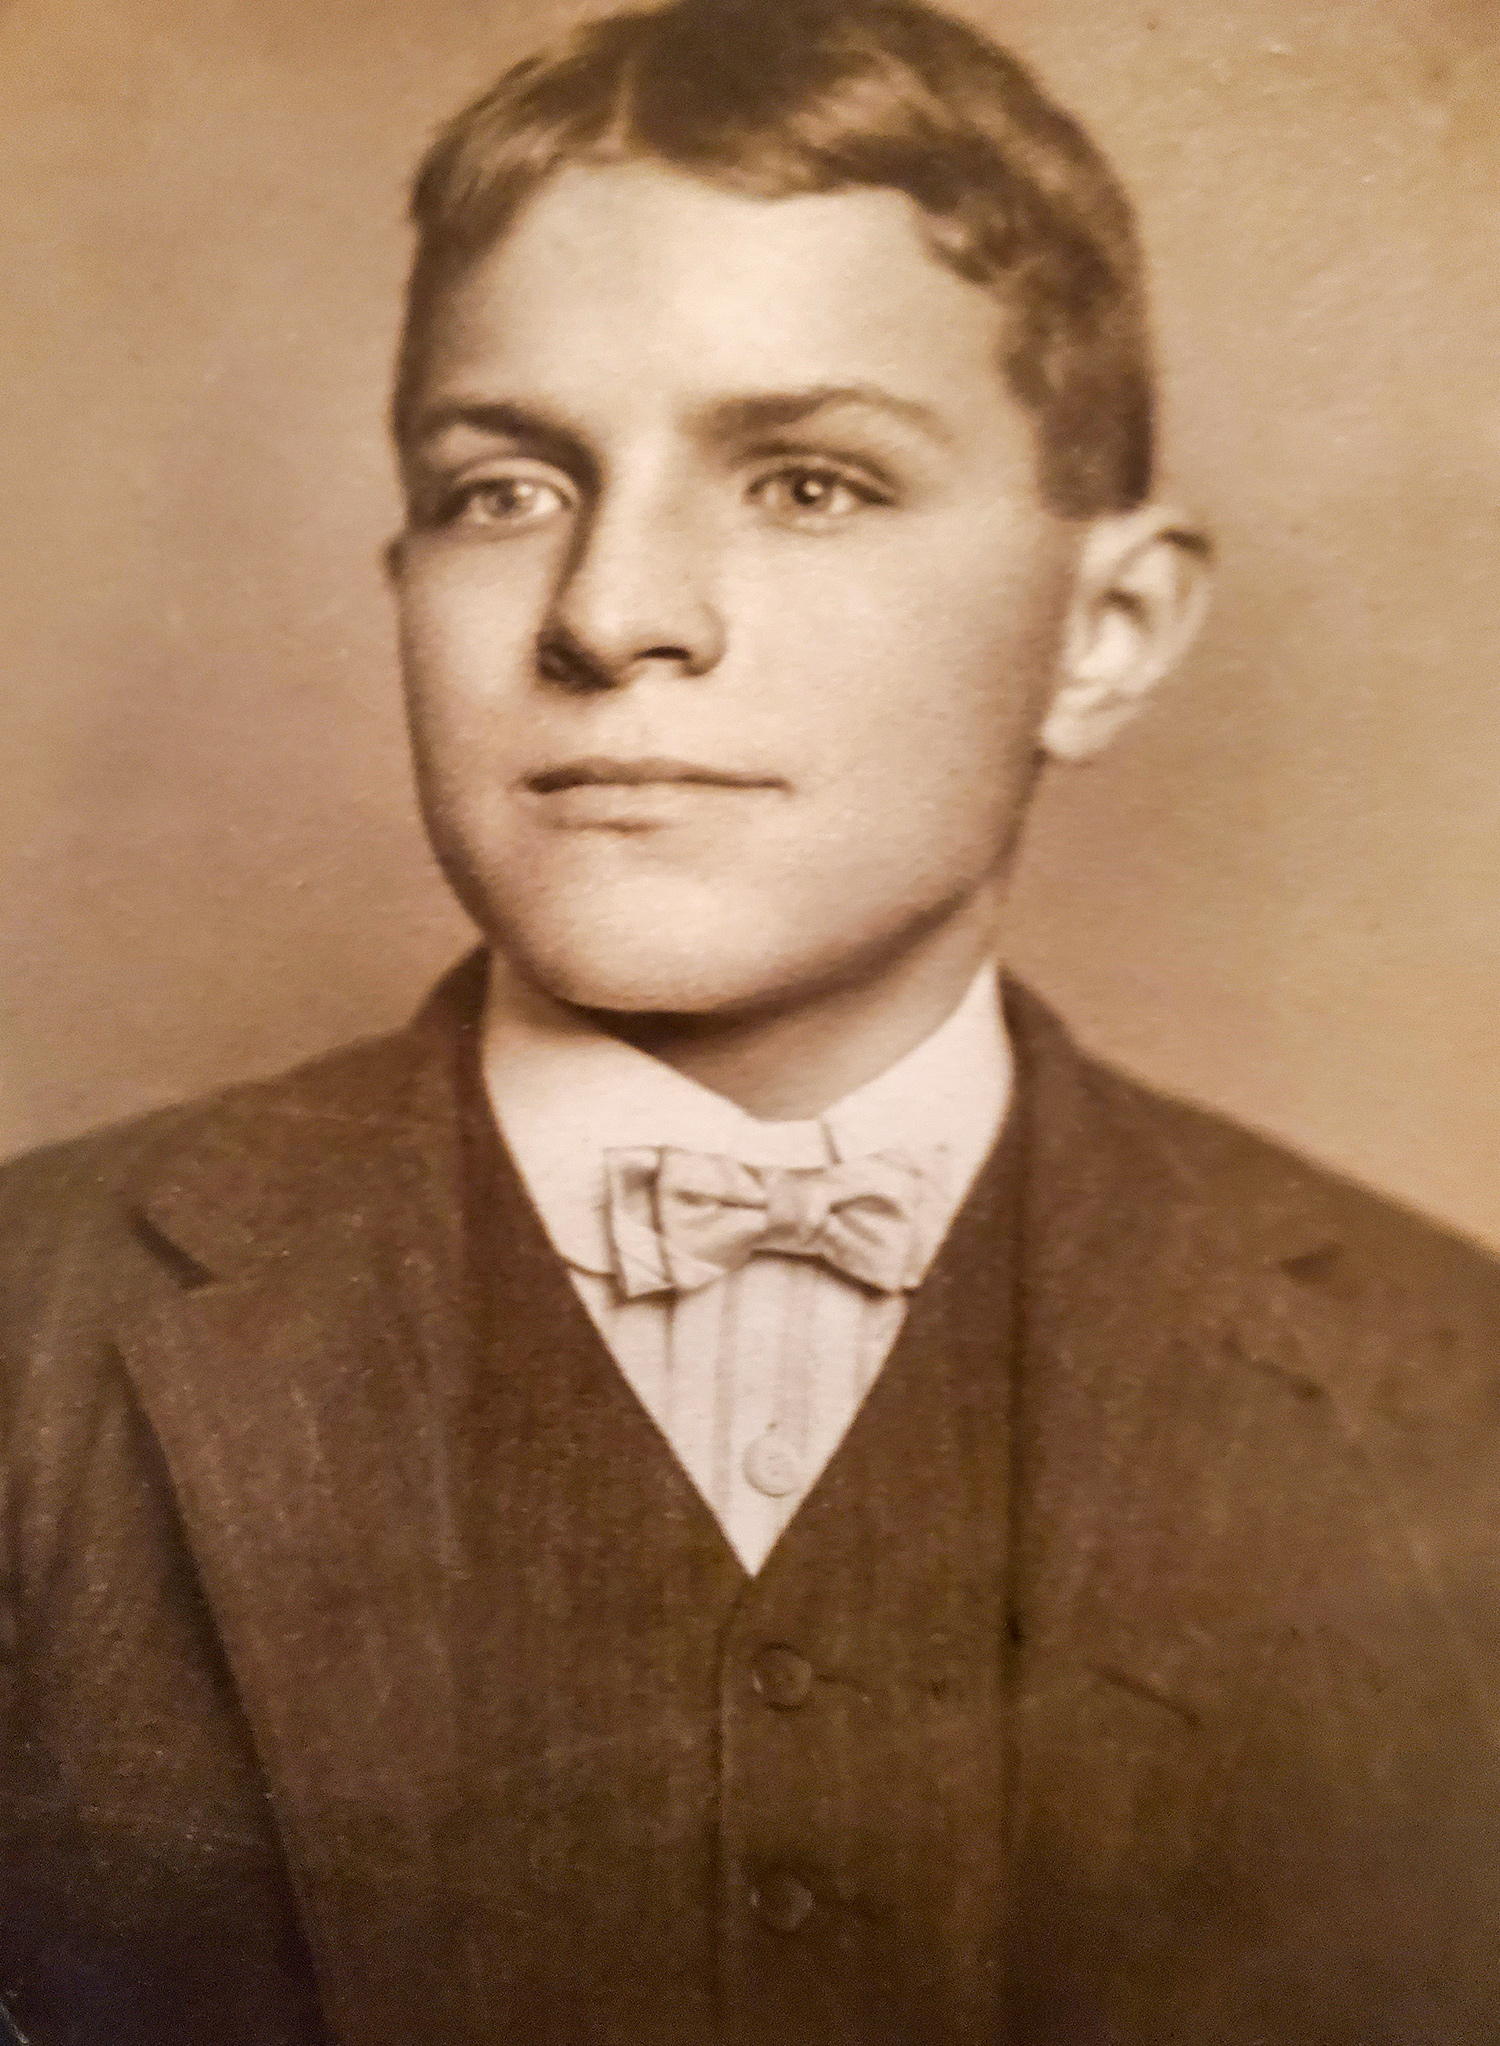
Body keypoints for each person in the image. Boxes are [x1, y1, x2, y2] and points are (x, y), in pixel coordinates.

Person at [2, 0, 1497, 2040]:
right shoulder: (32, 1333)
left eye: (807, 481)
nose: (611, 613)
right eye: (505, 486)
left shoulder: (1451, 1401)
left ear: (1104, 632)